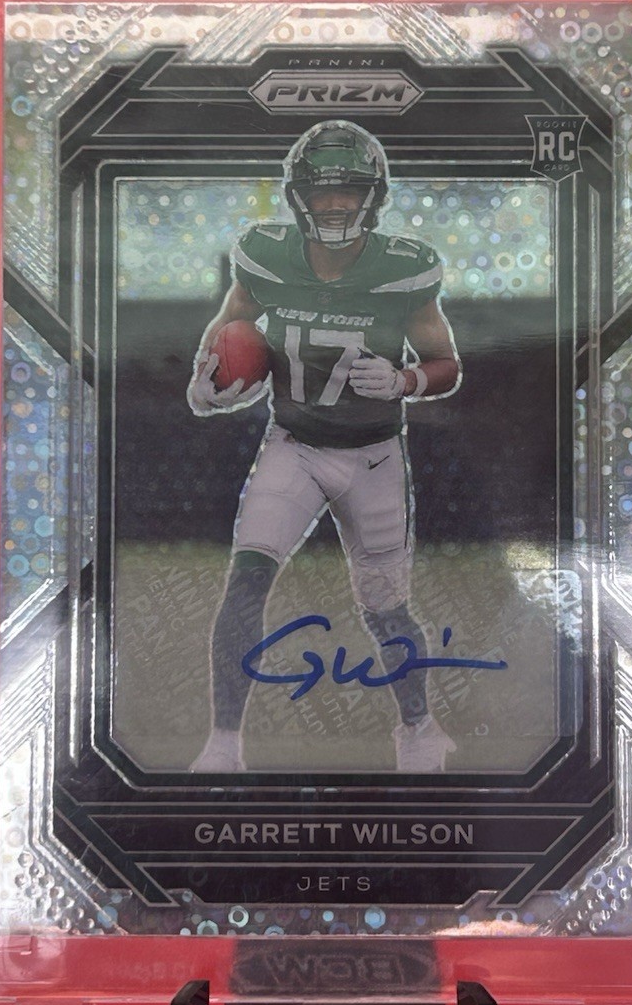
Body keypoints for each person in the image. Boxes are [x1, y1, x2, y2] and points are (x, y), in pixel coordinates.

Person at [186, 120, 462, 772]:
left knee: (386, 609)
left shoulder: (404, 268)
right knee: (246, 581)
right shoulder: (265, 255)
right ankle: (222, 745)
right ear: (297, 196)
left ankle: (418, 729)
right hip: (294, 446)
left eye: (349, 190)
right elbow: (229, 329)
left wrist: (405, 380)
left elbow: (447, 364)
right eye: (322, 191)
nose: (335, 204)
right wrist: (205, 384)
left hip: (374, 458)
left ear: (374, 195)